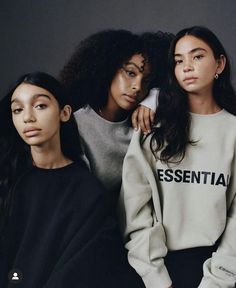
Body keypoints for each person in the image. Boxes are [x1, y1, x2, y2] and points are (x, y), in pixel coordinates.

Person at [0, 72, 146, 288]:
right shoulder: (8, 180)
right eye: (17, 109)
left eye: (40, 106)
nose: (27, 118)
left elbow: (82, 269)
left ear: (65, 113)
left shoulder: (87, 190)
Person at [120, 26, 236, 288]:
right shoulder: (152, 127)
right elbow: (134, 209)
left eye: (197, 56)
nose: (187, 67)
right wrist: (156, 279)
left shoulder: (233, 132)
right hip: (153, 269)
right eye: (179, 60)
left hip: (218, 269)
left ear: (219, 63)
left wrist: (217, 281)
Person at [59, 29, 173, 206]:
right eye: (130, 73)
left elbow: (192, 93)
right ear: (109, 68)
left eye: (147, 80)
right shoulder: (75, 122)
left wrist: (156, 96)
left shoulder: (144, 125)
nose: (137, 86)